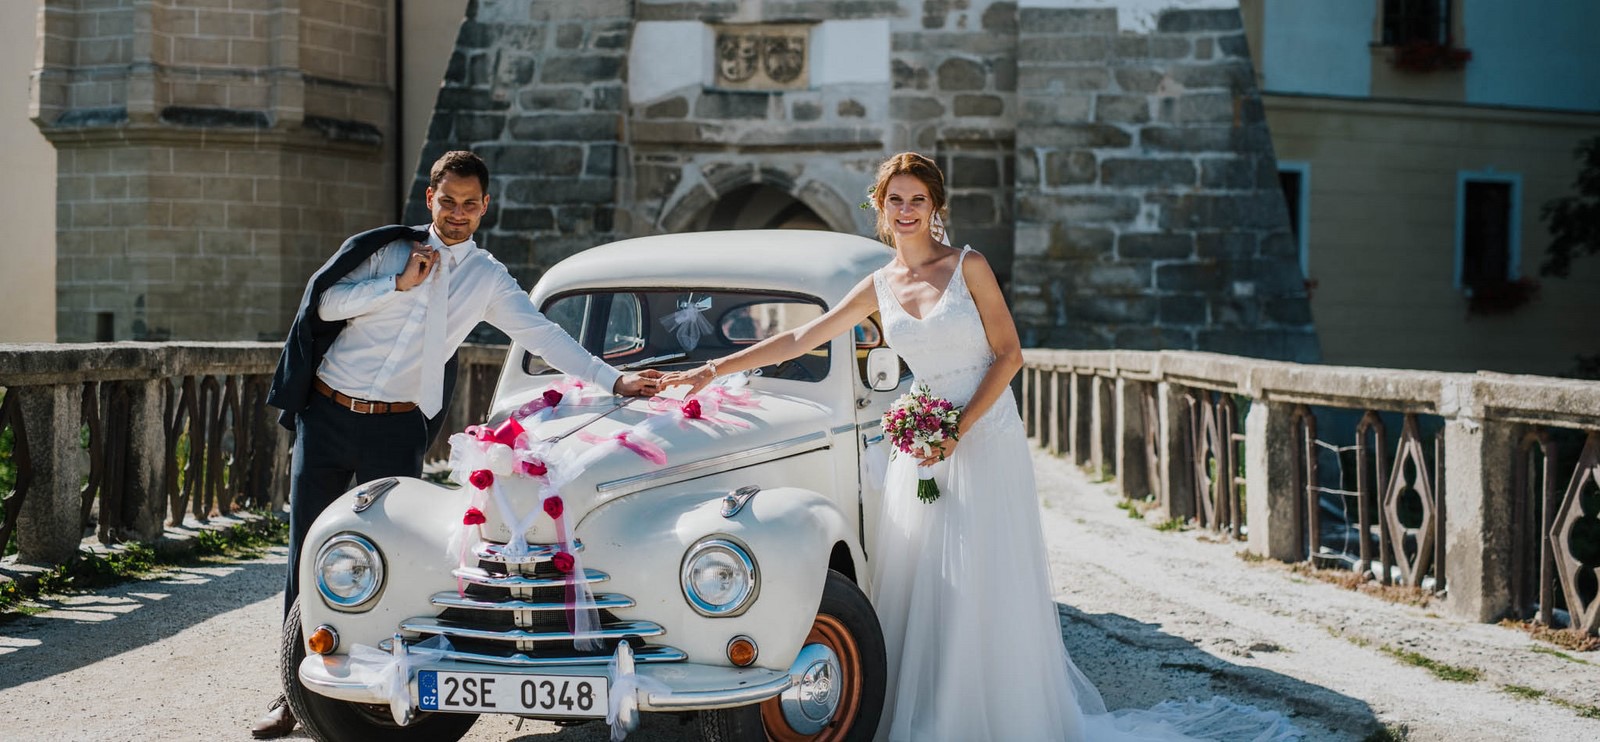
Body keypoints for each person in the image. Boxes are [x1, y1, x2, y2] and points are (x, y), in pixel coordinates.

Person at [660, 152, 1300, 741]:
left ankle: (995, 714)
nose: (906, 210)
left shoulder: (968, 267)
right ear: (880, 207)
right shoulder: (879, 286)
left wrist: (957, 430)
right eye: (895, 199)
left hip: (983, 432)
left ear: (934, 207)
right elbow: (803, 339)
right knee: (925, 576)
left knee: (984, 570)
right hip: (922, 440)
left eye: (917, 199)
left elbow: (1009, 354)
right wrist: (710, 371)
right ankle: (930, 709)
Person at [252, 150, 660, 738]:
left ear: (485, 207)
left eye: (470, 205)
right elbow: (325, 303)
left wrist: (612, 379)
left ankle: (385, 679)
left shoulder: (487, 277)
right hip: (327, 413)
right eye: (449, 202)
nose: (458, 214)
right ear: (430, 200)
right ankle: (293, 690)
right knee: (308, 551)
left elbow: (541, 334)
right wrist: (396, 285)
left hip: (395, 427)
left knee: (395, 551)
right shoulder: (389, 252)